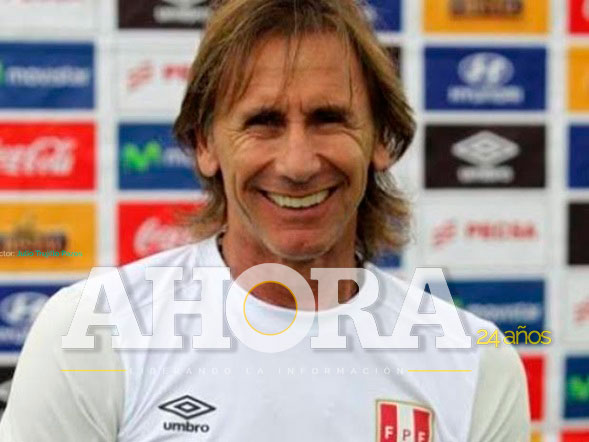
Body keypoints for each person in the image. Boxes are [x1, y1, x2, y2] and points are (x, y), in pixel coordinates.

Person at [0, 0, 530, 440]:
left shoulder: (473, 363)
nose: (298, 164)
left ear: (381, 140)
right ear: (205, 144)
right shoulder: (93, 334)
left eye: (328, 119)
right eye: (263, 122)